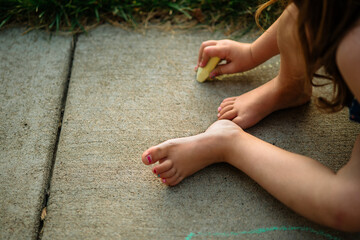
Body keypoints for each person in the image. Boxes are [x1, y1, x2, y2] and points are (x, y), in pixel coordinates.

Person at [141, 0, 360, 231]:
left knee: (349, 206)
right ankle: (289, 88)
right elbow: (309, 10)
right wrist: (253, 52)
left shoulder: (353, 49)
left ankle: (229, 143)